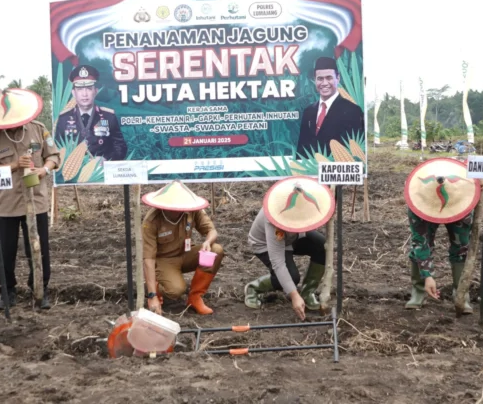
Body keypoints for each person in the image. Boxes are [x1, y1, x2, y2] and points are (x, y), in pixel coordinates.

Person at [0, 88, 61, 310]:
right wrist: (14, 166)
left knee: (39, 247)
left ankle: (40, 290)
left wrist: (44, 170)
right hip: (5, 204)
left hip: (37, 199)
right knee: (3, 250)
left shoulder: (38, 130)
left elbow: (53, 155)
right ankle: (6, 292)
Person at [244, 176, 332, 320]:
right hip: (265, 244)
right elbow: (278, 262)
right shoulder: (273, 218)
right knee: (291, 277)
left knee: (322, 245)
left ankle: (307, 292)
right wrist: (293, 295)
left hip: (293, 236)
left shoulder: (304, 201)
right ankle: (254, 288)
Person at [403, 157, 482, 314]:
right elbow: (421, 242)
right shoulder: (417, 203)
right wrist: (427, 276)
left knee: (461, 247)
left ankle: (461, 293)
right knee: (419, 247)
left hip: (457, 204)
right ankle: (419, 291)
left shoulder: (464, 190)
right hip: (426, 210)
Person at [140, 180, 224, 315]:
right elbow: (148, 259)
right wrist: (152, 295)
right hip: (164, 260)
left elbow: (211, 230)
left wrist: (207, 241)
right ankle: (152, 287)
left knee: (216, 250)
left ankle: (195, 297)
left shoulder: (192, 210)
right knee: (176, 290)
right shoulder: (152, 221)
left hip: (185, 254)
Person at [53, 64, 127, 166]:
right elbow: (56, 149)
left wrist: (106, 159)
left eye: (88, 88)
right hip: (73, 176)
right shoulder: (64, 118)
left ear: (95, 91)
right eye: (80, 89)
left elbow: (121, 147)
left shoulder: (108, 116)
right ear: (73, 93)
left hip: (101, 175)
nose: (84, 94)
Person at [295, 56, 365, 159]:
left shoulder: (353, 111)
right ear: (315, 80)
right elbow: (301, 152)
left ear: (338, 78)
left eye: (329, 78)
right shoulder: (308, 111)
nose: (324, 83)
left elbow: (357, 150)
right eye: (320, 79)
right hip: (311, 172)